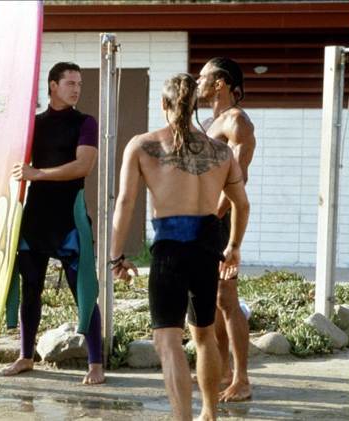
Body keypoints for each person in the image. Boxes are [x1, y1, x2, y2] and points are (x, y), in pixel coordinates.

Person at [110, 73, 250, 421]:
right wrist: (233, 245)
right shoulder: (220, 152)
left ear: (164, 104)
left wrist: (116, 256)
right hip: (207, 246)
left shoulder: (142, 146)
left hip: (170, 248)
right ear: (194, 106)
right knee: (204, 335)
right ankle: (209, 412)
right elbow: (241, 203)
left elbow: (125, 202)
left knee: (168, 340)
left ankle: (182, 418)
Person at [2, 62, 104, 385]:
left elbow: (83, 166)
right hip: (35, 217)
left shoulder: (85, 123)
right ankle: (26, 356)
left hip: (69, 218)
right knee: (30, 288)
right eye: (70, 83)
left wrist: (38, 174)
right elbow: (8, 161)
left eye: (79, 84)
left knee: (83, 289)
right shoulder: (33, 124)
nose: (76, 89)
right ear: (52, 86)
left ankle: (96, 363)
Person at [197, 57, 256, 402]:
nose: (198, 82)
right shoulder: (209, 122)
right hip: (206, 218)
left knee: (227, 298)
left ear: (219, 82)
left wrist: (210, 216)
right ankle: (222, 371)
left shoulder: (237, 121)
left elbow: (237, 180)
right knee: (215, 299)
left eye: (202, 77)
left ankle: (242, 379)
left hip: (220, 220)